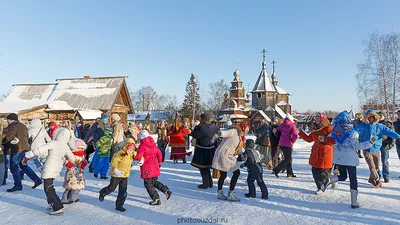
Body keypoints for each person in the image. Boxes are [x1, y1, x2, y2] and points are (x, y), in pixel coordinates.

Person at [22, 128, 80, 215]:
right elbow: (72, 158)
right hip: (56, 169)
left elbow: (40, 149)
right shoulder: (65, 146)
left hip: (50, 168)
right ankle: (52, 203)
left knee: (48, 188)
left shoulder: (54, 143)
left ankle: (57, 207)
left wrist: (27, 156)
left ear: (58, 134)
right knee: (49, 186)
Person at [328, 111, 375, 208]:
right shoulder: (352, 132)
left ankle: (333, 178)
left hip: (339, 158)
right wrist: (369, 143)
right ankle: (354, 202)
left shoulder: (336, 131)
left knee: (343, 176)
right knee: (353, 179)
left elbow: (330, 140)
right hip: (350, 159)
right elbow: (356, 146)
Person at [355, 110, 400, 188]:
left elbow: (389, 131)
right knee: (372, 167)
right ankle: (377, 180)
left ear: (375, 117)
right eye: (369, 117)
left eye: (372, 117)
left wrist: (397, 136)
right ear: (366, 118)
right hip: (367, 150)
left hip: (376, 149)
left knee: (377, 167)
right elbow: (353, 132)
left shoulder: (380, 126)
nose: (371, 119)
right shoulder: (362, 126)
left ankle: (371, 178)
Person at [3, 113, 42, 192]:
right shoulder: (23, 125)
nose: (7, 121)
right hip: (25, 148)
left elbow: (8, 138)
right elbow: (27, 136)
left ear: (10, 119)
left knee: (14, 167)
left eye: (8, 119)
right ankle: (37, 180)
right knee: (23, 165)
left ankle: (18, 185)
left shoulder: (12, 126)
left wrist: (2, 142)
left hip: (17, 149)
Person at [299, 112, 335, 195]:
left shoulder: (328, 129)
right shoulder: (314, 129)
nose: (316, 119)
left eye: (318, 118)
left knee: (322, 172)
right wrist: (301, 133)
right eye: (316, 118)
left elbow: (334, 140)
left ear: (322, 119)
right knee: (314, 171)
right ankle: (321, 186)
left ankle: (322, 186)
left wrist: (325, 139)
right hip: (316, 153)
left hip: (325, 153)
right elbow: (309, 139)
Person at [135, 130, 172, 205]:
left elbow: (138, 156)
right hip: (155, 167)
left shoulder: (142, 146)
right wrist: (159, 162)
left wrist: (134, 157)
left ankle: (156, 199)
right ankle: (166, 190)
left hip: (147, 168)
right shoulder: (153, 144)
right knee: (154, 182)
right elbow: (159, 154)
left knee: (148, 184)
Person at [99, 138, 137, 212]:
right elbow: (114, 161)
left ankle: (119, 205)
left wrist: (141, 159)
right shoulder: (120, 153)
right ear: (126, 146)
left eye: (133, 148)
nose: (131, 149)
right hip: (116, 174)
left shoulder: (132, 154)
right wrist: (115, 169)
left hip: (125, 175)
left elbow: (139, 155)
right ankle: (103, 192)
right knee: (112, 188)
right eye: (130, 147)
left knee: (123, 191)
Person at [211, 123, 242, 202]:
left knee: (224, 174)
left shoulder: (238, 135)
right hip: (224, 155)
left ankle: (221, 192)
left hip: (228, 155)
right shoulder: (234, 131)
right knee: (235, 172)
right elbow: (225, 133)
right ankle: (230, 193)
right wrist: (218, 134)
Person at [190, 114, 219, 189]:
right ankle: (210, 182)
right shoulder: (215, 127)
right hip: (211, 148)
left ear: (202, 119)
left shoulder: (201, 128)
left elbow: (194, 135)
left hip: (202, 149)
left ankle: (205, 183)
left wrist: (197, 127)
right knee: (207, 166)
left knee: (202, 167)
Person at [62, 138, 88, 204]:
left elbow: (83, 164)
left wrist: (84, 163)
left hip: (78, 173)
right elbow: (67, 162)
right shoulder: (71, 155)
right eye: (80, 148)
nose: (82, 150)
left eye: (82, 148)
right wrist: (68, 163)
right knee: (71, 186)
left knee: (75, 186)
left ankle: (70, 197)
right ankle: (67, 198)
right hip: (72, 173)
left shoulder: (82, 155)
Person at [272, 114, 298, 178]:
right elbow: (295, 135)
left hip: (281, 143)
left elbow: (276, 130)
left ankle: (290, 173)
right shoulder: (292, 125)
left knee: (287, 158)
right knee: (287, 158)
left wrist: (275, 133)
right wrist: (292, 141)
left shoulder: (283, 124)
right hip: (288, 143)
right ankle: (276, 170)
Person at [377, 111, 396, 183]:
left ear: (384, 116)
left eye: (381, 115)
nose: (380, 116)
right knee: (376, 161)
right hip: (376, 145)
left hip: (385, 144)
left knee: (384, 161)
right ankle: (377, 175)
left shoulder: (388, 123)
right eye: (379, 115)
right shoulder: (375, 123)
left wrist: (391, 144)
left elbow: (392, 134)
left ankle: (386, 176)